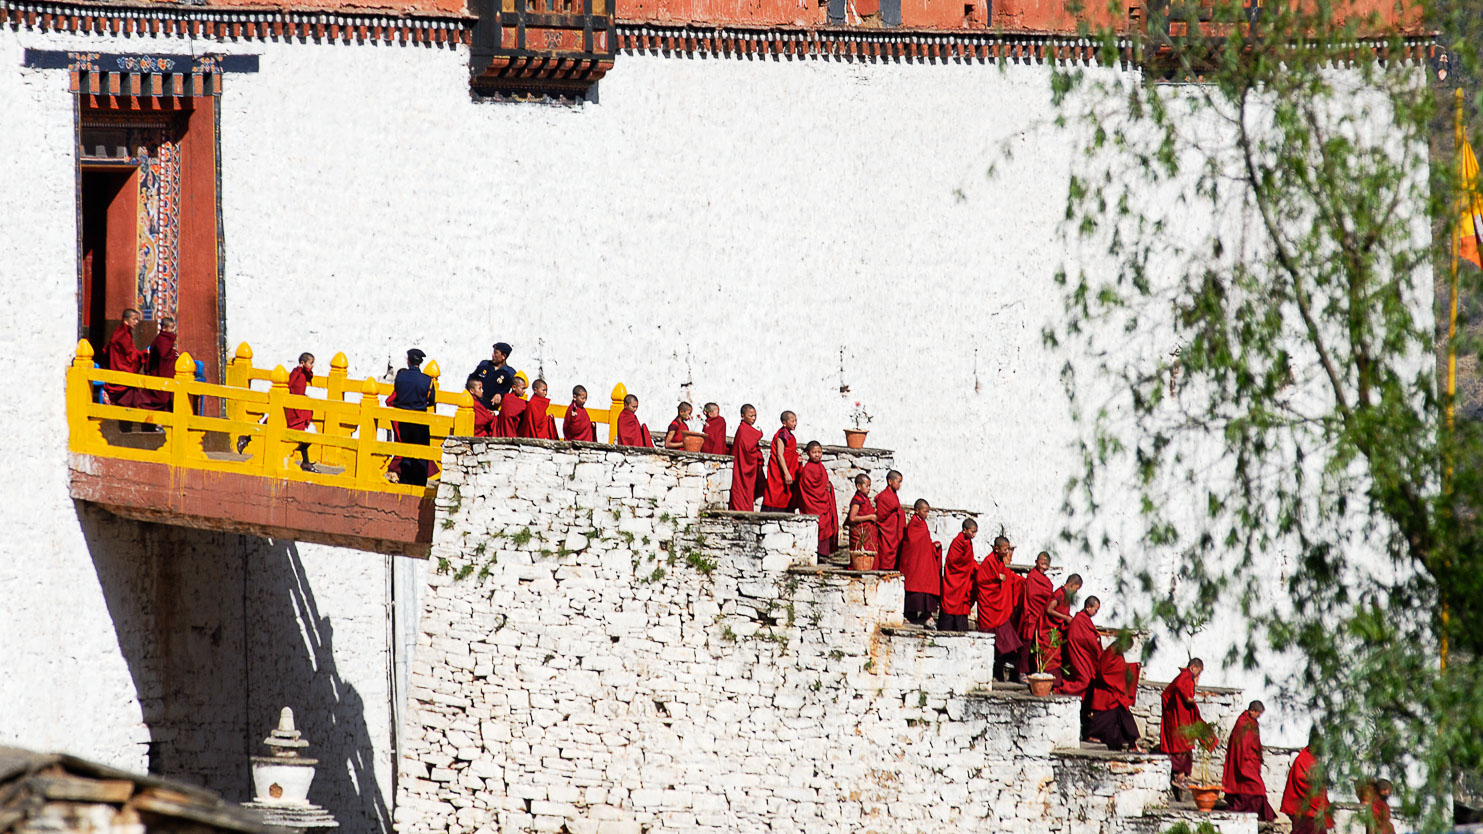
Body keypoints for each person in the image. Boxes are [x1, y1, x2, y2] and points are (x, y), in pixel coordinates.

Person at [975, 535, 1024, 681]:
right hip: (989, 607)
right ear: (996, 549)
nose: (1007, 552)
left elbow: (1006, 574)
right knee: (989, 639)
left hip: (998, 609)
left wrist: (1017, 580)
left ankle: (1000, 666)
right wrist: (996, 578)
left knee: (1005, 639)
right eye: (1005, 549)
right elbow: (981, 580)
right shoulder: (988, 562)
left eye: (1008, 549)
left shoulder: (998, 561)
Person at [1084, 634, 1143, 751]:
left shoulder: (1115, 652)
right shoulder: (1111, 652)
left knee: (1117, 720)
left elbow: (1117, 667)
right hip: (1108, 692)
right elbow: (1106, 670)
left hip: (1112, 691)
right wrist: (1133, 668)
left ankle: (1126, 743)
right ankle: (1131, 743)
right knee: (1117, 715)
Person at [1223, 701, 1277, 821]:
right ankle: (1251, 812)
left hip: (1252, 761)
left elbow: (1255, 742)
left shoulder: (1252, 722)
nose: (1258, 717)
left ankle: (1259, 815)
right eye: (1258, 713)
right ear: (1251, 711)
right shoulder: (1242, 723)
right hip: (1244, 761)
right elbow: (1241, 744)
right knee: (1257, 786)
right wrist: (1242, 762)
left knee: (1255, 788)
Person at [1159, 658, 1206, 789]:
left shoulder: (1187, 676)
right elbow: (1180, 686)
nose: (1198, 675)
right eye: (1199, 671)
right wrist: (1187, 698)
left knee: (1186, 745)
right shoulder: (1185, 676)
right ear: (1193, 667)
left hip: (1182, 715)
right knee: (1181, 745)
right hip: (1179, 717)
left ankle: (1182, 776)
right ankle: (1179, 777)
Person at [392, 349, 435, 486]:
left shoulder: (400, 377)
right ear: (420, 362)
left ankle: (405, 479)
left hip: (403, 419)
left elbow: (397, 394)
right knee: (421, 451)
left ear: (408, 361)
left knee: (405, 450)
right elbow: (431, 400)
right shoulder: (427, 380)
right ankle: (419, 481)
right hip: (420, 420)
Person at [897, 499, 941, 626]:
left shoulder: (922, 523)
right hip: (915, 561)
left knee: (927, 583)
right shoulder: (915, 524)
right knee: (916, 584)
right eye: (925, 511)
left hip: (923, 560)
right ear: (917, 511)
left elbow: (924, 543)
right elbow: (912, 543)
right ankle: (910, 614)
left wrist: (933, 547)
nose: (927, 514)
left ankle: (926, 613)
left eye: (928, 511)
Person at [1280, 731, 1333, 834]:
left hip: (1314, 810)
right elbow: (1301, 780)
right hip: (1304, 809)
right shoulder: (1302, 759)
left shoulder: (1315, 760)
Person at [795, 441, 838, 558]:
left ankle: (824, 553)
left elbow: (824, 482)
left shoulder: (821, 466)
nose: (817, 455)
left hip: (823, 501)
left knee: (826, 523)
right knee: (819, 525)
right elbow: (807, 487)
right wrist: (823, 488)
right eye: (814, 452)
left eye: (819, 452)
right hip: (812, 503)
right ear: (808, 453)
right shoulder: (807, 469)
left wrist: (829, 486)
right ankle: (817, 552)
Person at [103, 308, 146, 420]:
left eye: (137, 320)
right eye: (134, 319)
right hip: (119, 367)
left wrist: (141, 354)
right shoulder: (122, 334)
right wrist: (144, 354)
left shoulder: (124, 333)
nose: (136, 322)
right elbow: (130, 356)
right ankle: (111, 397)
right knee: (130, 382)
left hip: (120, 365)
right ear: (126, 320)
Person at [130, 316, 179, 412]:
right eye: (171, 328)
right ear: (164, 328)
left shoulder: (166, 339)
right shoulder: (162, 339)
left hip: (163, 370)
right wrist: (173, 354)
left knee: (167, 397)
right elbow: (163, 354)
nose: (173, 331)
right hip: (159, 371)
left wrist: (174, 354)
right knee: (161, 397)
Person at [1057, 596, 1102, 696]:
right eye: (1095, 610)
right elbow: (1079, 637)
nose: (1096, 613)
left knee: (1090, 679)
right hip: (1078, 652)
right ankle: (1061, 689)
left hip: (1084, 652)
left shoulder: (1084, 619)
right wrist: (1095, 640)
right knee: (1084, 680)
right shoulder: (1079, 619)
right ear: (1088, 607)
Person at [1019, 551, 1055, 675]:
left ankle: (1035, 670)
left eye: (1046, 565)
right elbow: (1031, 596)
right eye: (1042, 563)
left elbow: (1049, 596)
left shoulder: (1047, 581)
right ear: (1036, 562)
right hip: (1031, 614)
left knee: (1040, 644)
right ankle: (1021, 672)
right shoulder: (1032, 577)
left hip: (1042, 616)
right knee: (1027, 643)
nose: (1044, 567)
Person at [939, 518, 978, 632]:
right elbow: (952, 562)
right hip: (955, 579)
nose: (974, 534)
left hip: (963, 580)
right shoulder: (957, 542)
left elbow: (969, 559)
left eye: (975, 532)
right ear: (964, 530)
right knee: (950, 605)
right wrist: (968, 566)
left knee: (961, 606)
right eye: (972, 531)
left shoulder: (968, 542)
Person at [285, 352, 318, 472]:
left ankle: (305, 461)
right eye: (311, 363)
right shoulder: (296, 372)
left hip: (301, 407)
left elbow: (309, 377)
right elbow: (289, 385)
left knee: (306, 433)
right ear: (303, 363)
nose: (312, 365)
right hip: (294, 408)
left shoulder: (303, 373)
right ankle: (246, 438)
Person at [761, 411, 799, 513]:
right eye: (792, 421)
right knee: (775, 495)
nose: (795, 423)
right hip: (779, 472)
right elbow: (780, 455)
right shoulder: (782, 436)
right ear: (784, 423)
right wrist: (786, 473)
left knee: (786, 495)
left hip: (786, 469)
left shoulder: (789, 435)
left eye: (796, 421)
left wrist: (796, 459)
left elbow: (790, 454)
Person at [729, 404, 764, 511]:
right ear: (743, 416)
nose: (753, 418)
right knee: (740, 490)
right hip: (742, 466)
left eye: (755, 416)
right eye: (751, 416)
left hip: (748, 468)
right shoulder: (743, 430)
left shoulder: (748, 430)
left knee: (749, 491)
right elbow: (747, 450)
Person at [466, 342, 515, 410]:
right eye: (493, 352)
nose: (493, 355)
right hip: (473, 404)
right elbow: (471, 379)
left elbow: (509, 391)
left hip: (490, 409)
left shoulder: (510, 373)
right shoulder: (484, 365)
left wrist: (500, 395)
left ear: (504, 356)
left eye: (496, 353)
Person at [874, 471, 905, 571]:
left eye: (901, 482)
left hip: (893, 530)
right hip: (886, 530)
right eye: (898, 481)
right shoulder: (885, 496)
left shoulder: (893, 494)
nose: (900, 485)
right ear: (890, 481)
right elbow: (881, 516)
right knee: (885, 551)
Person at [846, 474, 879, 557]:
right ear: (858, 486)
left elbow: (864, 510)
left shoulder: (864, 498)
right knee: (861, 556)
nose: (869, 488)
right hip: (860, 533)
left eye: (870, 486)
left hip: (867, 532)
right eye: (867, 486)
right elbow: (852, 518)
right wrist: (870, 517)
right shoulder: (857, 500)